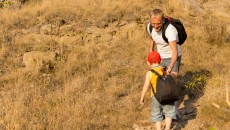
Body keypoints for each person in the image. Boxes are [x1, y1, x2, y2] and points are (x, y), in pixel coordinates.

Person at [140, 51, 176, 130]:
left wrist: (142, 96)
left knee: (156, 114)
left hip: (155, 96)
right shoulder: (164, 70)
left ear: (148, 63)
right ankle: (167, 128)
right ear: (161, 61)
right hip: (167, 94)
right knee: (169, 112)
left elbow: (146, 86)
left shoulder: (149, 73)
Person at [147, 8, 182, 77]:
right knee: (158, 78)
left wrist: (170, 67)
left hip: (172, 56)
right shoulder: (150, 27)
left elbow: (174, 51)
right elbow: (152, 40)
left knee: (172, 78)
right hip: (160, 57)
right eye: (153, 23)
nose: (156, 26)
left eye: (158, 24)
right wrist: (149, 59)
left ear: (163, 20)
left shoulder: (170, 30)